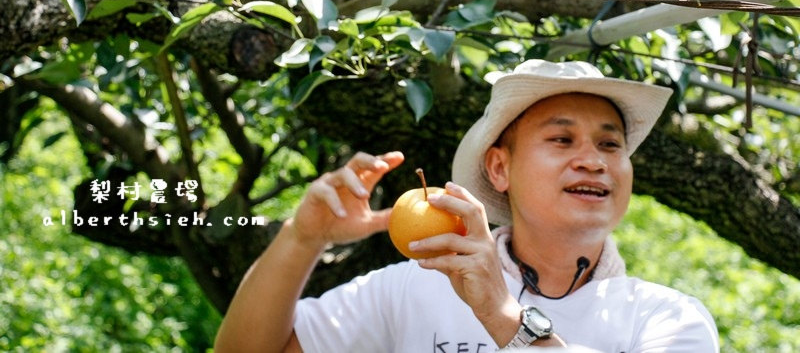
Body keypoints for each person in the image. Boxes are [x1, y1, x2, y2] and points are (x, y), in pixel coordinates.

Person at [215, 59, 719, 352]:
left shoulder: (666, 319)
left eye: (610, 145)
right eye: (562, 140)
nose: (593, 161)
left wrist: (504, 317)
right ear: (499, 169)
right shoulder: (418, 284)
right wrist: (302, 238)